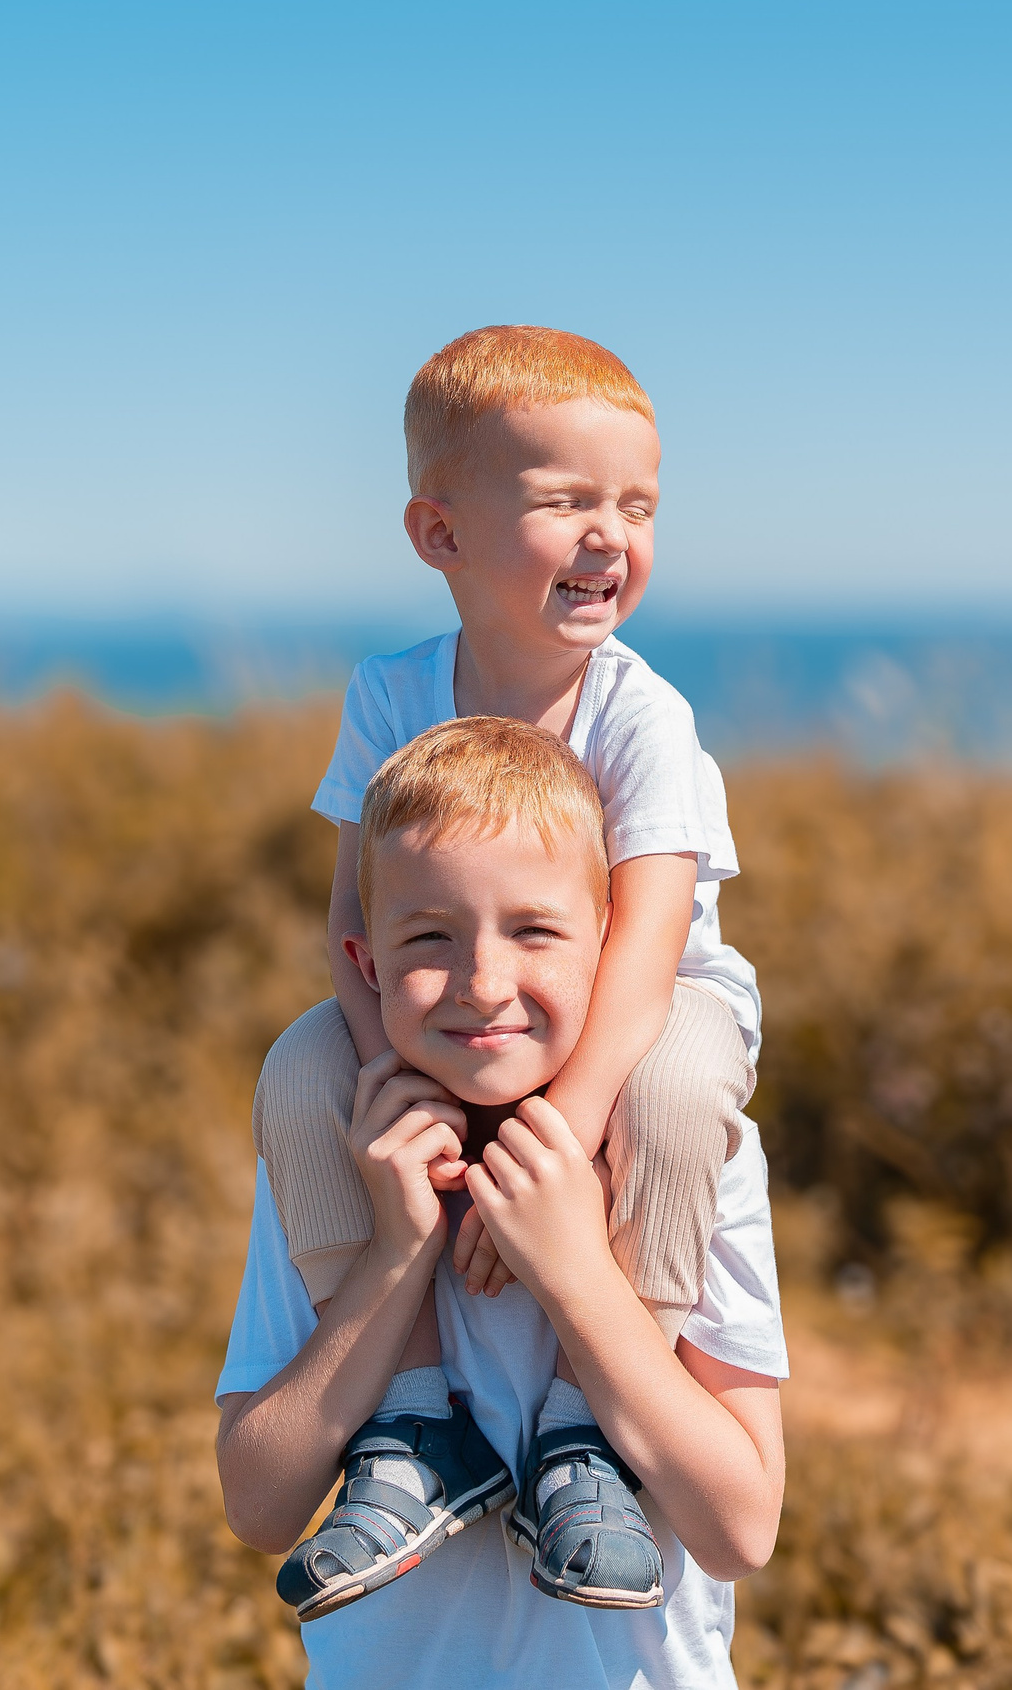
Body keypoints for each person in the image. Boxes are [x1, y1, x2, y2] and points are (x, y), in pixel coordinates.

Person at [243, 329, 765, 1585]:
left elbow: (646, 940)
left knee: (681, 1085)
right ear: (440, 535)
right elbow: (351, 923)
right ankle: (415, 1418)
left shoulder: (642, 713)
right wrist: (397, 1082)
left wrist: (571, 1121)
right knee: (302, 1073)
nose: (609, 535)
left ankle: (590, 1423)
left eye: (635, 506)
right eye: (565, 501)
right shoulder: (391, 692)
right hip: (451, 1012)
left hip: (640, 1013)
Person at [216, 717, 786, 1688]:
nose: (484, 986)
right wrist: (398, 1250)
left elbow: (739, 1526)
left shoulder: (682, 1149)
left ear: (611, 952)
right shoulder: (347, 1152)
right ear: (366, 965)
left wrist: (574, 1271)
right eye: (430, 938)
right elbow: (259, 1505)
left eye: (534, 932)